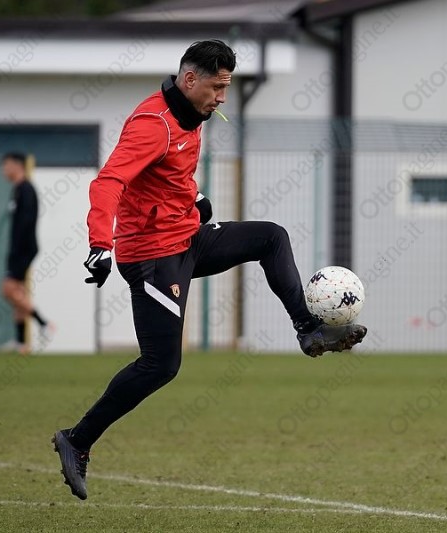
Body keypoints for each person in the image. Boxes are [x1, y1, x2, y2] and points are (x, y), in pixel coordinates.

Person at [51, 39, 367, 500]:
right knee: (161, 366)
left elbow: (168, 176)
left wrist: (194, 199)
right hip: (152, 257)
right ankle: (77, 440)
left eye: (227, 87)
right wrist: (100, 243)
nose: (222, 97)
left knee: (271, 236)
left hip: (186, 238)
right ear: (189, 79)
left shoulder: (192, 114)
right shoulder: (152, 124)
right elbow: (109, 182)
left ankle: (308, 329)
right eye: (217, 87)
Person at [0, 153, 52, 354]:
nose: (3, 170)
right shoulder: (17, 189)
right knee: (19, 293)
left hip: (23, 249)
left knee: (8, 290)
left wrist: (18, 250)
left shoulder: (26, 189)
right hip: (18, 249)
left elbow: (27, 222)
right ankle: (21, 343)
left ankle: (43, 323)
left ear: (16, 165)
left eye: (6, 165)